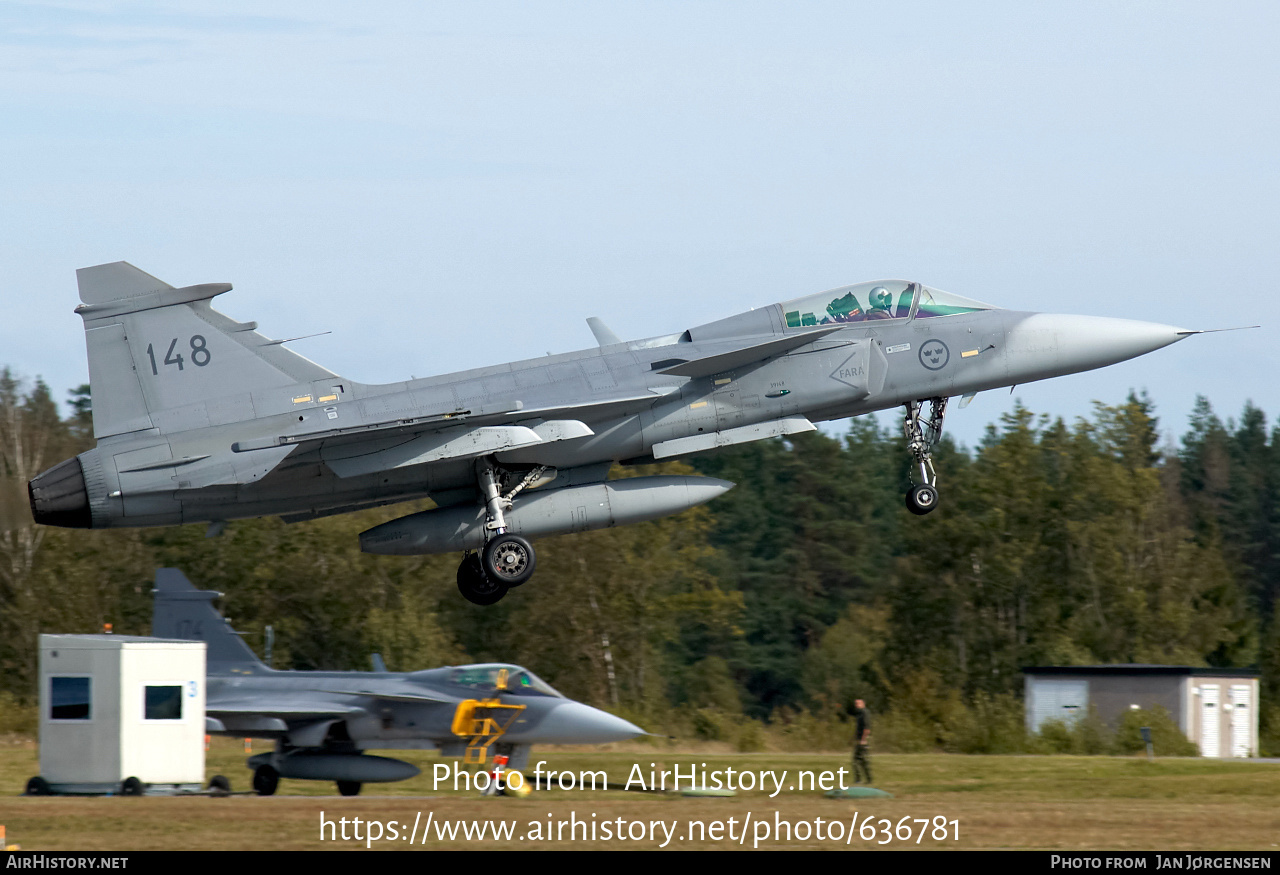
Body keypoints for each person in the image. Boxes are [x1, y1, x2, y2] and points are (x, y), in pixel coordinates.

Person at [851, 698, 872, 784]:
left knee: (858, 761)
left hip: (863, 741)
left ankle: (860, 779)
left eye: (858, 703)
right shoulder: (859, 714)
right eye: (856, 703)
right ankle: (867, 779)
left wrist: (863, 740)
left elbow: (867, 728)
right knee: (861, 761)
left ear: (863, 704)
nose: (856, 705)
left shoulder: (864, 713)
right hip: (859, 740)